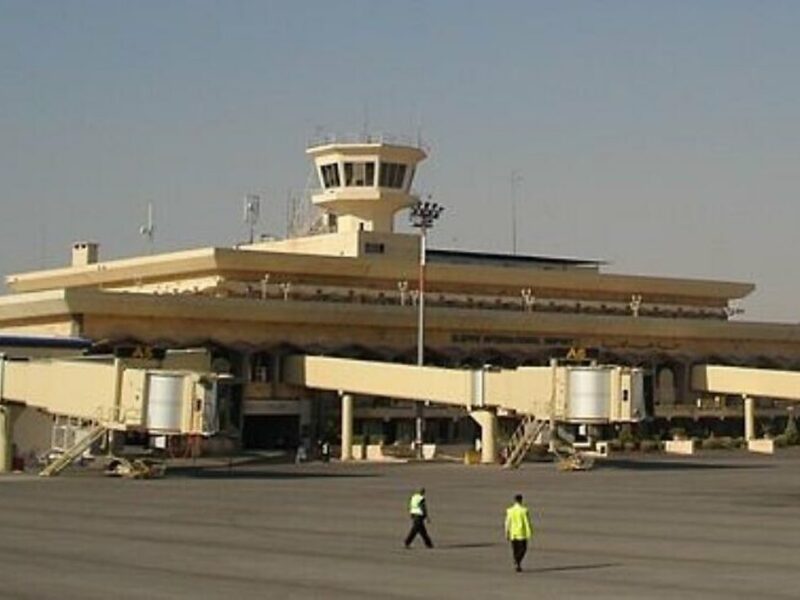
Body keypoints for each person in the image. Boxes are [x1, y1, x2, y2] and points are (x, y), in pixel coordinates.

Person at [505, 493, 533, 572]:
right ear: (521, 500)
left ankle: (517, 563)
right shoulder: (524, 510)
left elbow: (507, 522)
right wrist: (529, 532)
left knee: (515, 549)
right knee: (523, 549)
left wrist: (507, 532)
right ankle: (517, 561)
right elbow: (527, 522)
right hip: (521, 533)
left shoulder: (510, 510)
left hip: (513, 533)